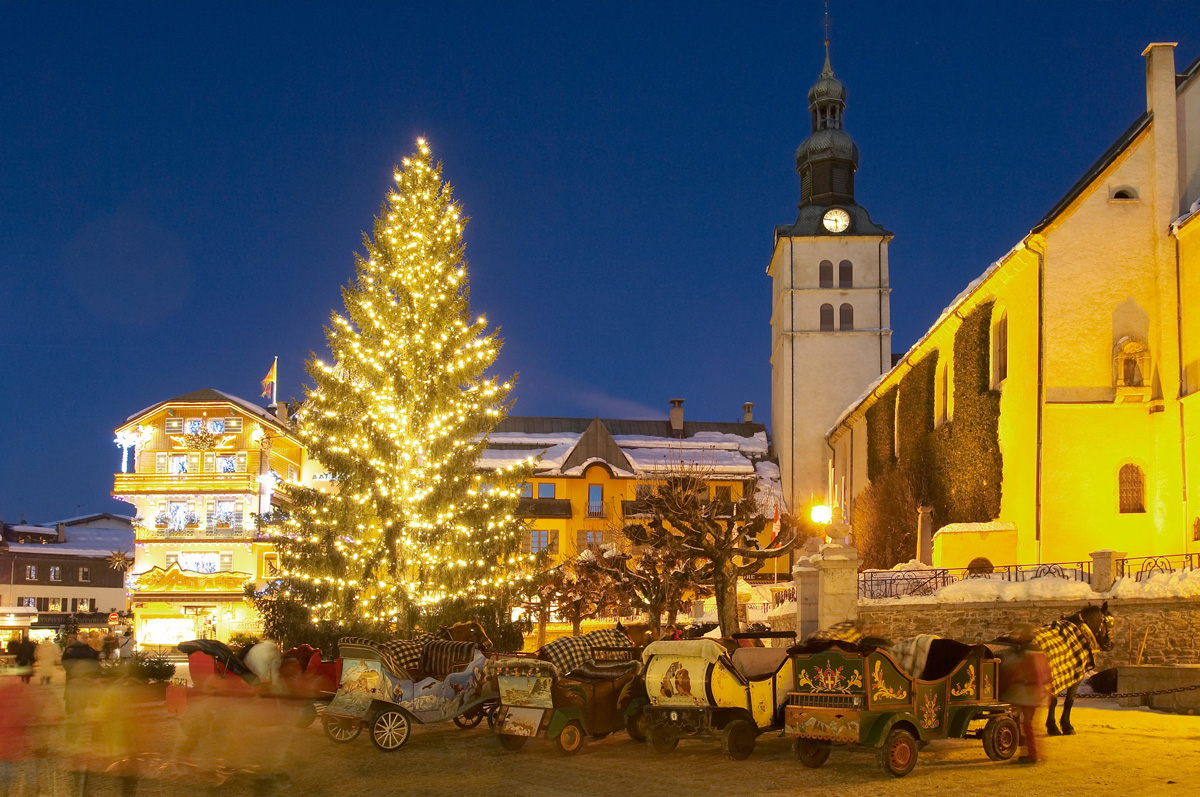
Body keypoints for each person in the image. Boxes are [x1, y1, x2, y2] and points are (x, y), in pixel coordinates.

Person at [1000, 624, 1051, 765]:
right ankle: (1030, 753)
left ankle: (1033, 755)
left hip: (1027, 693)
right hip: (1031, 693)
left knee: (1027, 724)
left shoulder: (1027, 654)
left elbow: (1027, 673)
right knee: (1026, 724)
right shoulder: (1037, 652)